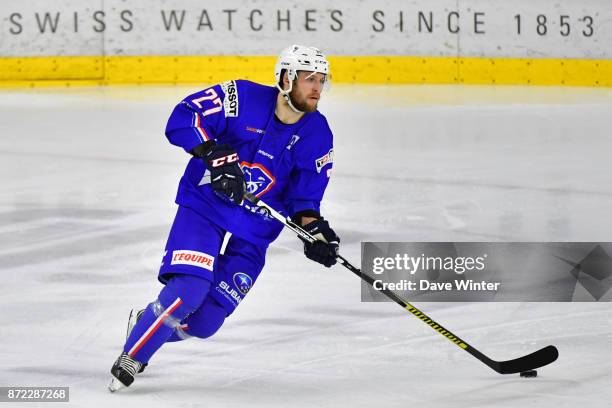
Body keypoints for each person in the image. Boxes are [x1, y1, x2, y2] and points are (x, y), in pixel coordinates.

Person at [109, 45, 340, 391]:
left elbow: (304, 200)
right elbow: (185, 116)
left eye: (321, 80)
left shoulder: (318, 134)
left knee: (204, 322)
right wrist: (214, 153)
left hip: (257, 227)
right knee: (189, 289)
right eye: (309, 79)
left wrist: (316, 233)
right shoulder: (241, 97)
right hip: (206, 204)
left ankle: (146, 322)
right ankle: (134, 355)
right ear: (285, 78)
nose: (317, 88)